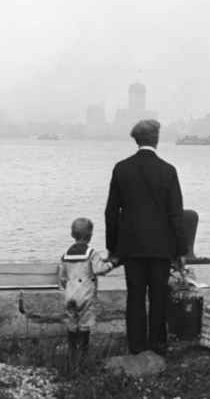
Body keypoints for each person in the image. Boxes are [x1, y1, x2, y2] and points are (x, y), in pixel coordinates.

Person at [104, 119, 188, 356]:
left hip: (130, 247)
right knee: (158, 299)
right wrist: (181, 250)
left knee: (135, 298)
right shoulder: (168, 170)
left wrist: (113, 247)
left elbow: (111, 213)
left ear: (137, 140)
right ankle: (158, 349)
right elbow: (176, 215)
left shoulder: (121, 169)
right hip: (161, 247)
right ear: (156, 139)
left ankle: (136, 349)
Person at [58, 217, 116, 356]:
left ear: (73, 235)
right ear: (90, 235)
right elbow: (99, 269)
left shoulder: (66, 255)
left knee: (72, 324)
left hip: (70, 295)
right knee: (84, 325)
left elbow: (62, 278)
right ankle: (83, 356)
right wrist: (113, 263)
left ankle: (73, 354)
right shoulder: (91, 253)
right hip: (85, 296)